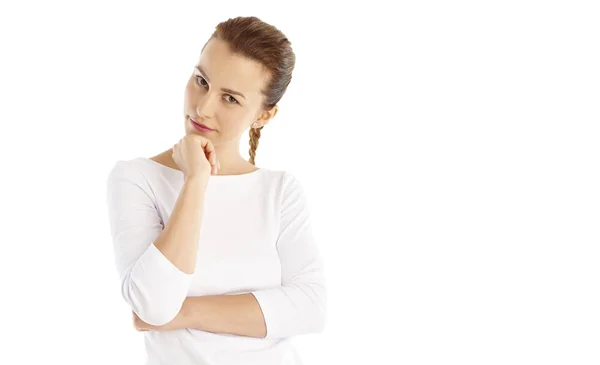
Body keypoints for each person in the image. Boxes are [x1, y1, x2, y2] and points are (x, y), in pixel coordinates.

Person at [105, 16, 327, 365]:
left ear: (264, 116)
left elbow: (311, 308)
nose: (203, 107)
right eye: (201, 81)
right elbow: (154, 304)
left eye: (230, 99)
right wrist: (195, 181)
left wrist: (185, 313)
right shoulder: (137, 178)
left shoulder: (279, 191)